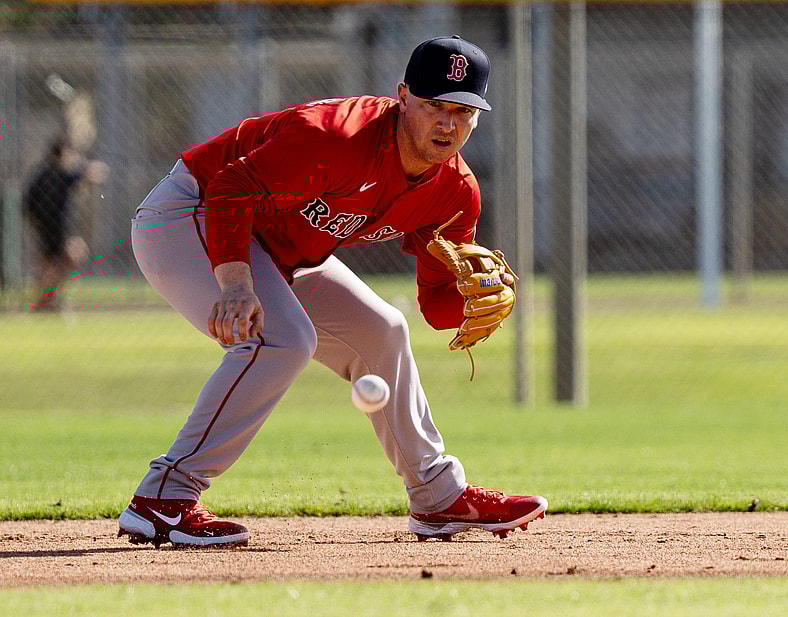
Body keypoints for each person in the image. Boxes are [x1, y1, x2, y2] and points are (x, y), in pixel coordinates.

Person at [118, 35, 547, 548]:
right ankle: (163, 500)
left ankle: (437, 499)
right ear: (403, 95)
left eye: (464, 110)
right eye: (435, 105)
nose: (448, 123)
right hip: (192, 211)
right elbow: (231, 189)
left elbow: (436, 307)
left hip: (281, 251)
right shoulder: (337, 137)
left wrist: (473, 297)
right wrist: (235, 283)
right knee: (282, 338)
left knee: (384, 330)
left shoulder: (455, 191)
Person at [25, 137, 107, 312]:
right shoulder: (60, 174)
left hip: (43, 226)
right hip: (56, 227)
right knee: (71, 257)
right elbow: (94, 173)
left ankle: (47, 301)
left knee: (50, 266)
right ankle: (42, 302)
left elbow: (28, 204)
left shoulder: (41, 175)